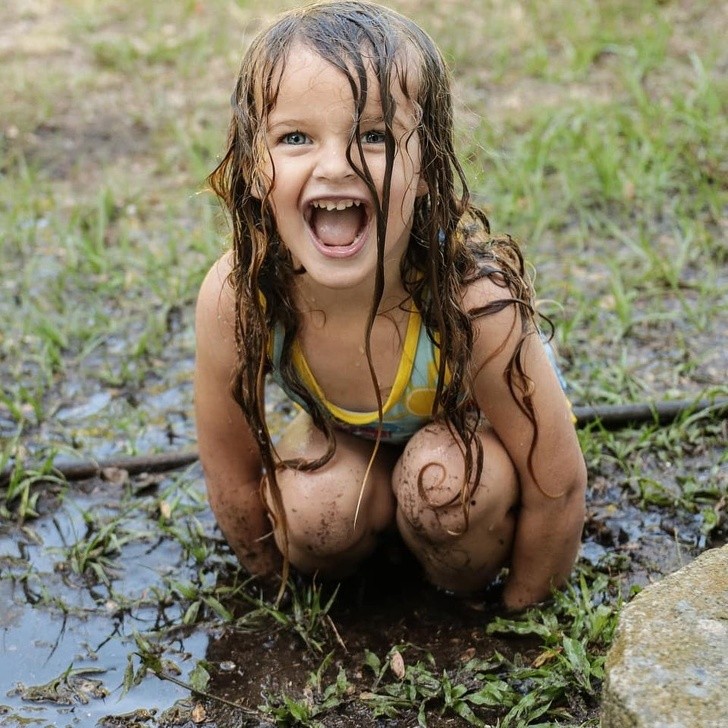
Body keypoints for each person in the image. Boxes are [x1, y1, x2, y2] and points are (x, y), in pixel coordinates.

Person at [194, 0, 587, 611]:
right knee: (314, 516)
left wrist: (524, 612)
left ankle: (449, 580)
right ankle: (369, 520)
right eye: (295, 137)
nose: (336, 165)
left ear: (427, 164)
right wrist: (269, 588)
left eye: (374, 136)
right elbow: (229, 465)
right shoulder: (241, 296)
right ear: (252, 168)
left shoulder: (471, 302)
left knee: (448, 491)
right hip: (350, 438)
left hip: (469, 439)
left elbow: (555, 481)